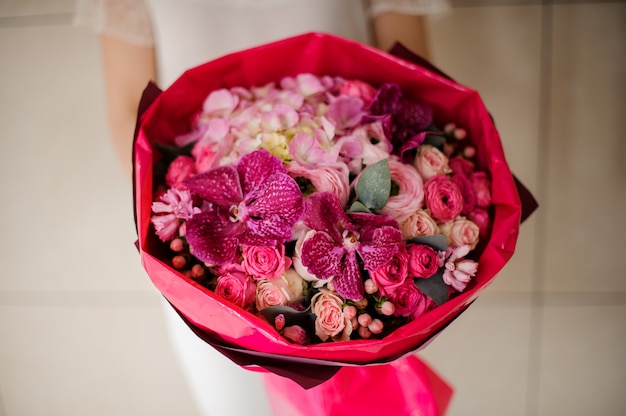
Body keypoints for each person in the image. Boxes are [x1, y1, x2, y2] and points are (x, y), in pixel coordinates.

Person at [75, 1, 450, 414]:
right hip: (209, 270)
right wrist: (183, 208)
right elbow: (130, 106)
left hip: (359, 155)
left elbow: (411, 75)